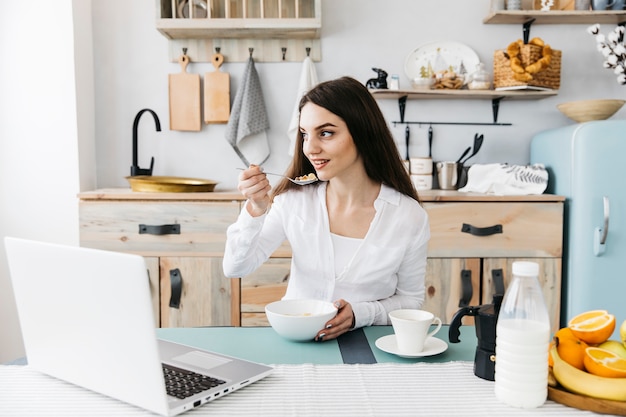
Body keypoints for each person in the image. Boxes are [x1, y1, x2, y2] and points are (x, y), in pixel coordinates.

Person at [223, 76, 430, 341]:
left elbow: (411, 300)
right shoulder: (293, 202)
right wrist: (255, 209)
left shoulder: (408, 216)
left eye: (326, 133)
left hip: (369, 345)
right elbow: (235, 268)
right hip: (295, 340)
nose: (310, 148)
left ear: (363, 132)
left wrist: (361, 314)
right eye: (305, 134)